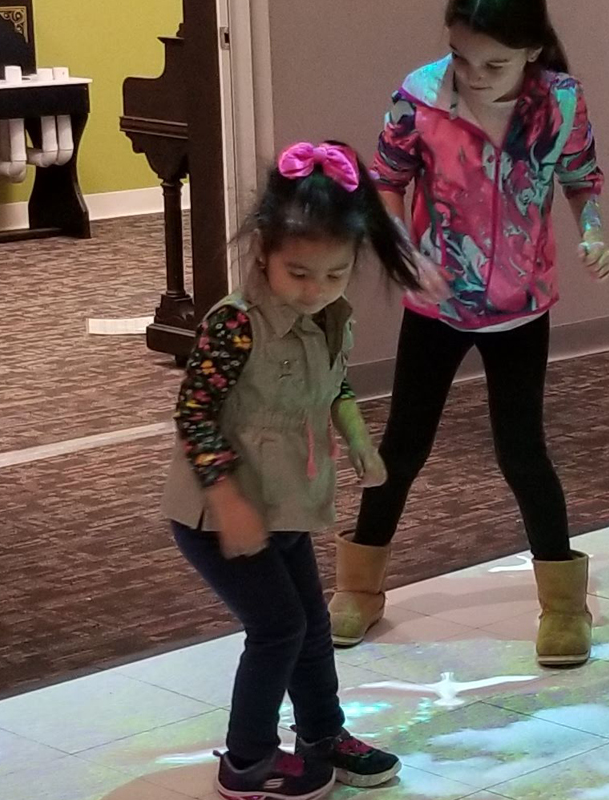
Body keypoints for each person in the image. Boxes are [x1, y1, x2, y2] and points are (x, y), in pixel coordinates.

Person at [327, 0, 609, 669]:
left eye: (495, 62)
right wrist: (407, 254)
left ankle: (565, 604)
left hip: (522, 303)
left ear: (533, 52)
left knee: (522, 450)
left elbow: (581, 178)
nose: (475, 75)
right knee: (403, 443)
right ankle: (359, 588)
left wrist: (594, 230)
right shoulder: (418, 97)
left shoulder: (561, 104)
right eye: (462, 57)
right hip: (438, 304)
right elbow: (386, 184)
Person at [162, 141, 414, 800]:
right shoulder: (235, 326)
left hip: (290, 502)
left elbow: (334, 390)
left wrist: (359, 441)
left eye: (334, 275)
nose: (315, 290)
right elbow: (193, 415)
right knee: (277, 628)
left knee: (310, 626)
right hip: (223, 514)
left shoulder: (330, 320)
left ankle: (321, 736)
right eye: (298, 273)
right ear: (264, 256)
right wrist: (228, 497)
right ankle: (246, 760)